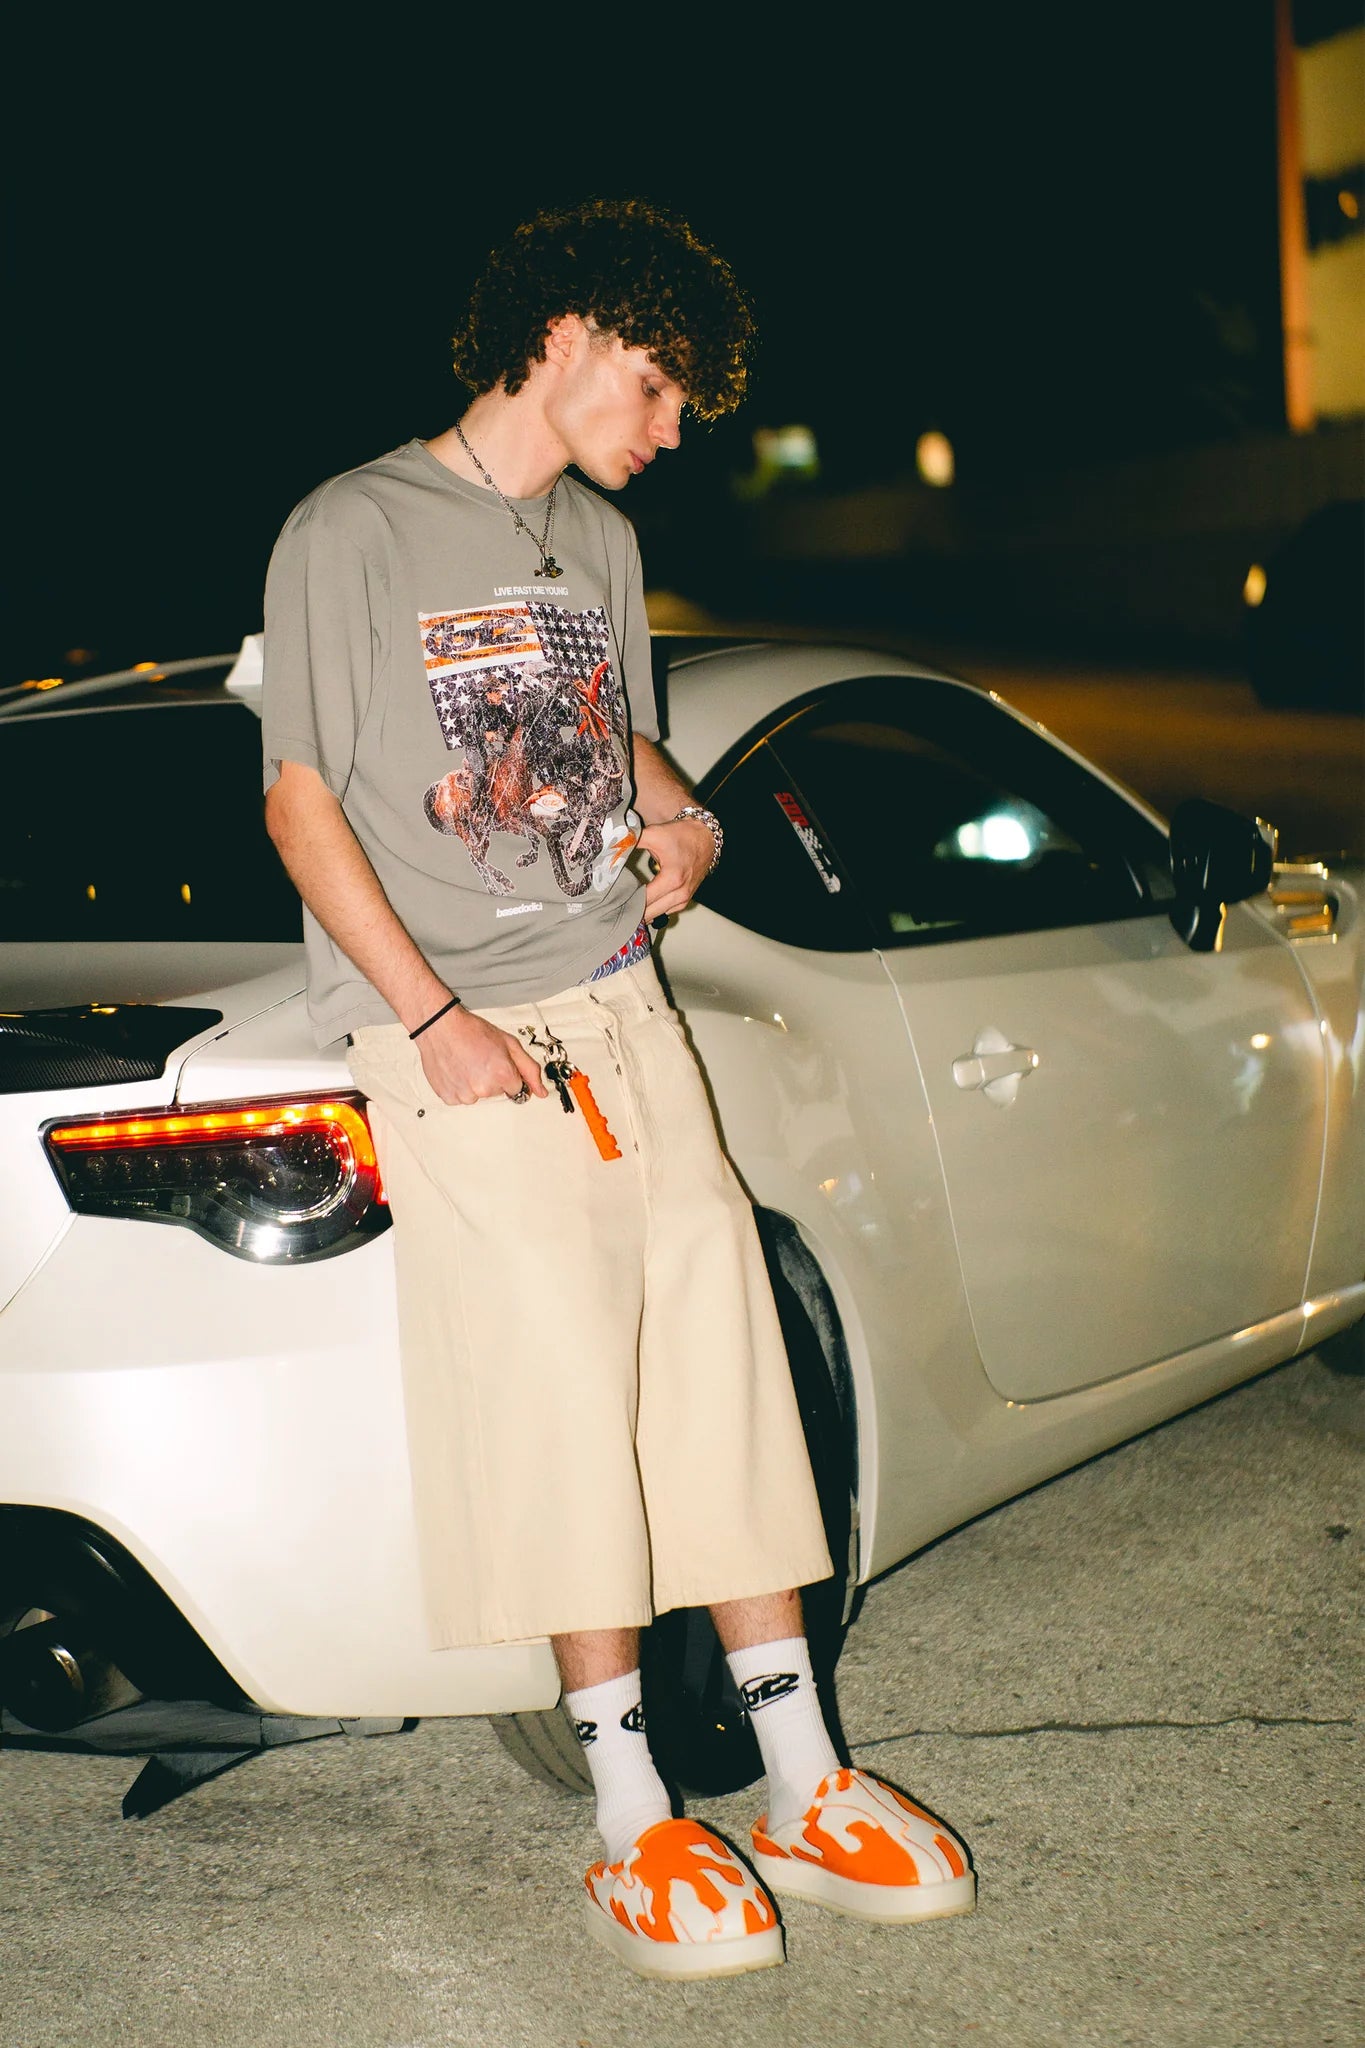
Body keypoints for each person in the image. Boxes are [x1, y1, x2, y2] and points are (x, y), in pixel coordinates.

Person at [260, 197, 974, 1981]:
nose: (669, 430)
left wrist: (685, 814)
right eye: (657, 387)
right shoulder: (352, 526)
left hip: (622, 1006)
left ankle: (801, 1782)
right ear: (567, 333)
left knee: (723, 1373)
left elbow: (602, 725)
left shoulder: (594, 536)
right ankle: (631, 1814)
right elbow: (301, 795)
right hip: (468, 1040)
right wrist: (430, 1017)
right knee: (563, 1407)